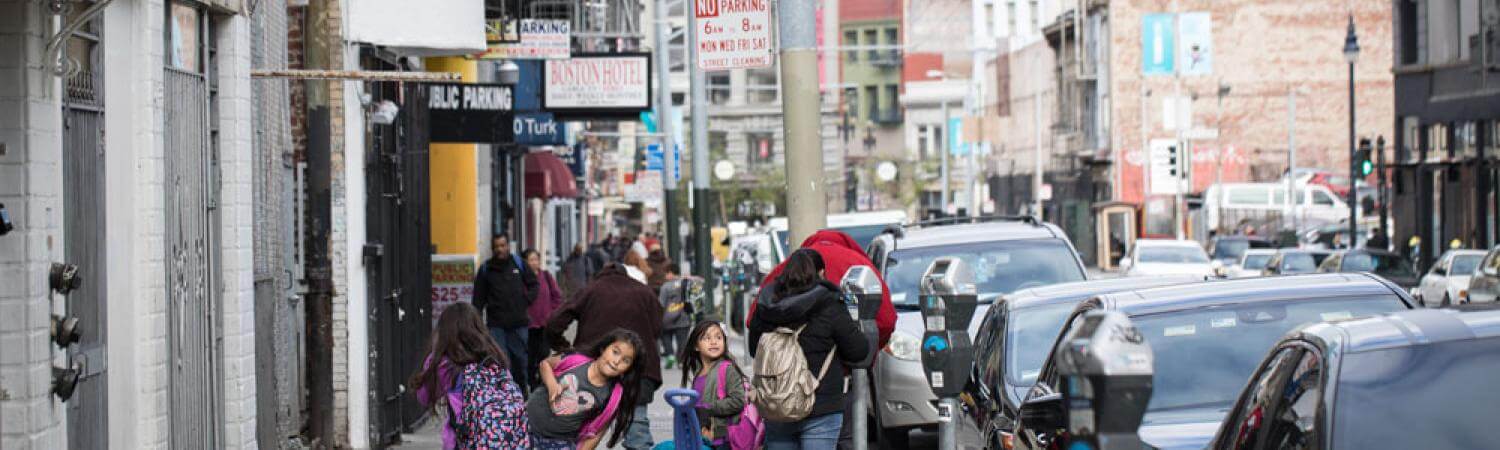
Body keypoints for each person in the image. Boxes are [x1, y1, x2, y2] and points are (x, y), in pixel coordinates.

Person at [748, 250, 870, 450]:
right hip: (821, 405)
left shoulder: (766, 306)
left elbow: (755, 350)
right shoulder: (830, 304)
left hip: (777, 404)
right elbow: (858, 351)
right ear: (821, 273)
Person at [547, 263, 665, 450]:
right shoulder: (644, 291)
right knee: (636, 420)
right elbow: (658, 326)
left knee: (578, 418)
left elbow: (554, 322)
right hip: (637, 369)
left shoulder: (591, 289)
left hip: (594, 366)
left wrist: (564, 347)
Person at [410, 303, 530, 449]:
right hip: (505, 440)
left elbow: (424, 397)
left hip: (465, 442)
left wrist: (433, 357)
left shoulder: (446, 365)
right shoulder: (495, 357)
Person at [528, 328, 646, 450]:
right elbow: (545, 364)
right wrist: (552, 385)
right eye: (615, 352)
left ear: (628, 369)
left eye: (625, 360)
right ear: (603, 348)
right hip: (525, 426)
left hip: (559, 442)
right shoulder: (575, 361)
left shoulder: (613, 396)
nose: (616, 361)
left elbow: (596, 434)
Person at [473, 234, 539, 392]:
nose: (500, 249)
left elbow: (534, 285)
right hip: (496, 326)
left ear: (508, 246)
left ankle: (522, 394)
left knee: (520, 362)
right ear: (492, 248)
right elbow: (478, 300)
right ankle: (504, 396)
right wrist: (477, 324)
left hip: (518, 325)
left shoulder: (519, 263)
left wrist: (525, 300)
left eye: (503, 245)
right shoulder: (486, 269)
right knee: (501, 362)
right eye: (496, 246)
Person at [680, 321, 749, 450]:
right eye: (707, 338)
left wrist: (709, 408)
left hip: (723, 439)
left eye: (718, 337)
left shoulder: (727, 369)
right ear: (696, 346)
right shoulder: (698, 373)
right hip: (703, 437)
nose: (714, 342)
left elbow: (738, 400)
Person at [524, 248, 564, 390]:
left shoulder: (546, 276)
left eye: (536, 259)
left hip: (544, 325)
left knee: (543, 355)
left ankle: (542, 383)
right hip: (528, 326)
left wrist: (551, 312)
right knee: (529, 358)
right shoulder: (522, 278)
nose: (534, 263)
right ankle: (531, 384)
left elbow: (557, 296)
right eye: (531, 260)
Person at [659, 272, 692, 369]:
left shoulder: (665, 286)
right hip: (684, 317)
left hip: (667, 318)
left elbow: (661, 303)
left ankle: (670, 355)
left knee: (665, 336)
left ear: (670, 273)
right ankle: (681, 361)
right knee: (682, 341)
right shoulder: (686, 284)